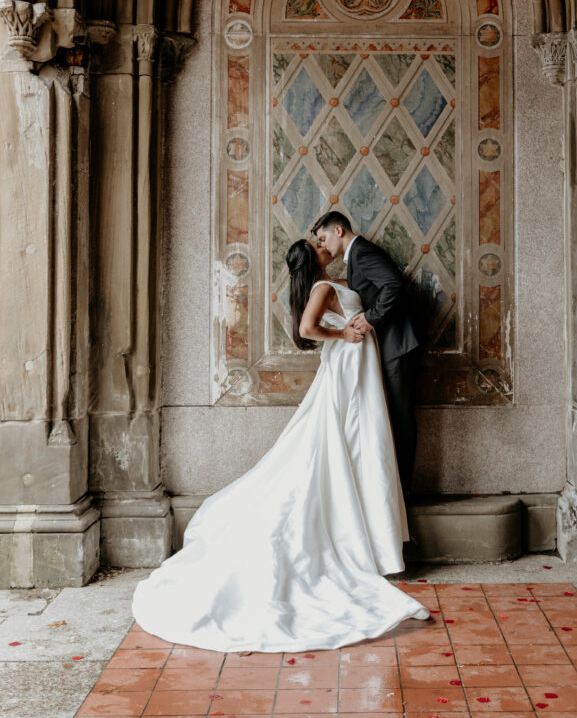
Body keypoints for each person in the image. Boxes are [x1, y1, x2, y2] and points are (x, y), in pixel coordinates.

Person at [131, 238, 428, 652]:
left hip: (356, 359)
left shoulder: (330, 281)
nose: (324, 244)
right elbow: (306, 330)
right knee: (351, 436)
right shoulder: (322, 288)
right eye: (318, 243)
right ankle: (365, 542)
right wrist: (342, 334)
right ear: (315, 256)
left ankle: (372, 538)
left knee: (359, 439)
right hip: (348, 358)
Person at [311, 211, 421, 497]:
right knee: (389, 419)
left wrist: (372, 317)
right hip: (385, 348)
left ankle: (403, 493)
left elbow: (393, 284)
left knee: (400, 419)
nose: (324, 246)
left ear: (338, 230)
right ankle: (391, 490)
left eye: (324, 238)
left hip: (397, 345)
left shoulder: (360, 251)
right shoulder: (353, 258)